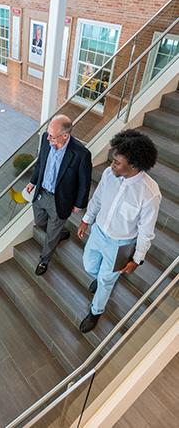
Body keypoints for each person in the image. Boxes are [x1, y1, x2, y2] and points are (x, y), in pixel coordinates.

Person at [77, 130, 161, 333]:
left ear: (133, 165)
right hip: (98, 233)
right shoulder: (109, 174)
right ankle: (103, 280)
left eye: (117, 162)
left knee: (106, 280)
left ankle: (96, 311)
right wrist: (86, 220)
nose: (111, 164)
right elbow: (97, 199)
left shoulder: (149, 193)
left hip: (120, 245)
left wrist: (137, 259)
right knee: (89, 266)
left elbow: (146, 232)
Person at [26, 115, 92, 276]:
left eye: (52, 136)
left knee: (50, 235)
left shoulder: (81, 154)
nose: (48, 138)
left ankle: (44, 260)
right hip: (42, 193)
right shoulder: (46, 139)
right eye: (48, 134)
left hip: (60, 199)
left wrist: (79, 204)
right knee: (40, 222)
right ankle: (60, 233)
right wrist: (33, 182)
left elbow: (84, 182)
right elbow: (40, 162)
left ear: (65, 135)